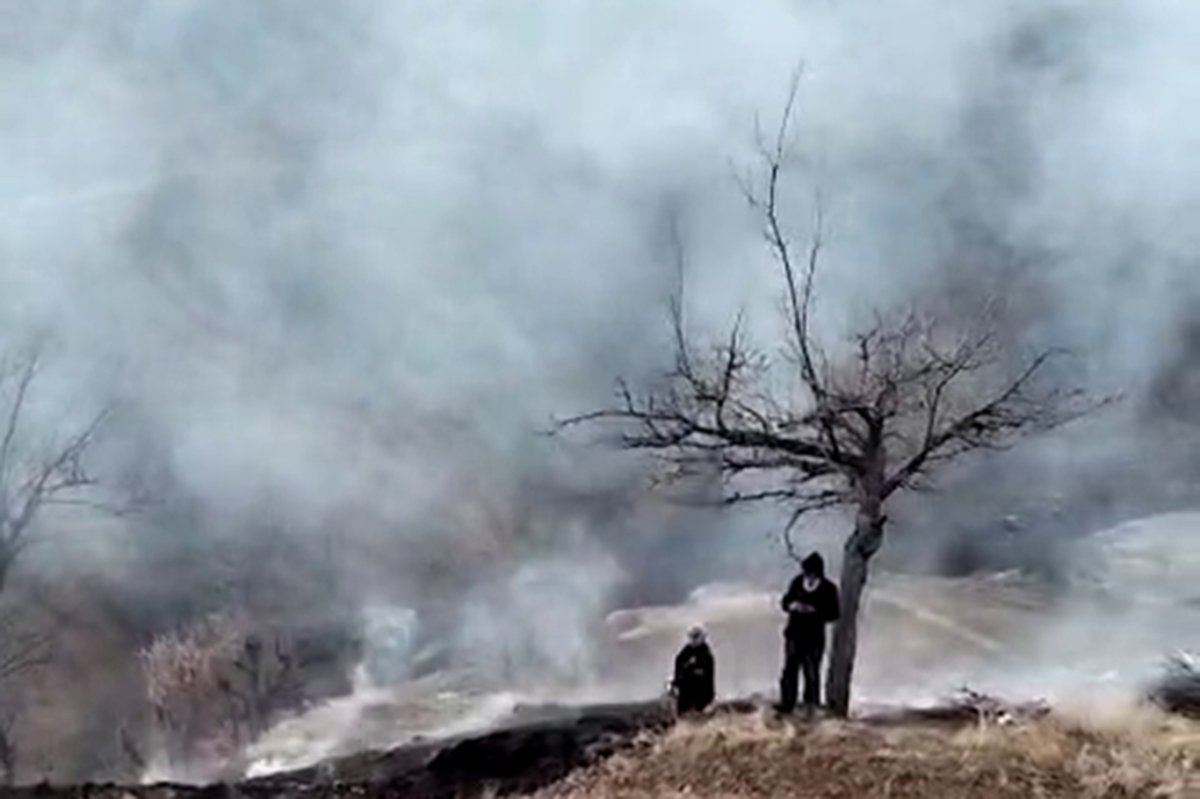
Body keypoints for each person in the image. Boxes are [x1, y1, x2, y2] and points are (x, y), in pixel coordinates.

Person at [776, 552, 840, 715]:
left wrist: (814, 611)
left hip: (814, 638)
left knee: (811, 672)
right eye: (806, 572)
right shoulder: (797, 582)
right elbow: (785, 601)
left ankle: (810, 706)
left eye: (811, 573)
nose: (808, 576)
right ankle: (786, 704)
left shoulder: (829, 588)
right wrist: (792, 606)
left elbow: (834, 614)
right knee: (790, 670)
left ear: (818, 572)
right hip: (794, 634)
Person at [671, 625, 715, 714]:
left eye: (696, 636)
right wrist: (675, 683)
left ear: (702, 638)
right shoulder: (684, 653)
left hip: (702, 692)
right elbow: (678, 666)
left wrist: (689, 669)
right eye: (692, 636)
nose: (693, 640)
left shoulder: (706, 654)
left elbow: (705, 676)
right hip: (685, 691)